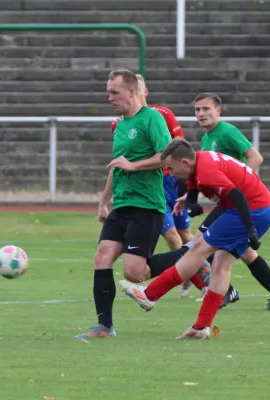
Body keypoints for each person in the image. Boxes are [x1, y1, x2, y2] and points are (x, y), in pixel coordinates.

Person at [119, 138, 270, 339]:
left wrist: (250, 230)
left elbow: (238, 197)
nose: (170, 173)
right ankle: (201, 327)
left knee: (198, 248)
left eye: (171, 168)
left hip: (250, 210)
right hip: (262, 208)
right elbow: (193, 185)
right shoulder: (198, 160)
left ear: (184, 162)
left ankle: (150, 295)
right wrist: (191, 202)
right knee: (220, 265)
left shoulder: (206, 172)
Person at [73, 69, 174, 339]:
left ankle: (192, 256)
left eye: (114, 92)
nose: (110, 97)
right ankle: (104, 327)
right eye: (108, 92)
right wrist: (103, 201)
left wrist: (134, 165)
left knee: (134, 273)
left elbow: (166, 157)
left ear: (132, 91)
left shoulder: (152, 118)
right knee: (102, 258)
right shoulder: (119, 125)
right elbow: (117, 167)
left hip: (147, 205)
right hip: (122, 204)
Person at [190, 93, 270, 311]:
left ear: (219, 111)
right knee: (244, 251)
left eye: (206, 109)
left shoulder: (227, 131)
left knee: (198, 243)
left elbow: (255, 157)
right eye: (197, 109)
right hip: (228, 203)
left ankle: (227, 291)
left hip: (236, 201)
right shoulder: (207, 138)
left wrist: (246, 185)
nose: (201, 114)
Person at [112, 75, 195, 298]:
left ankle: (193, 267)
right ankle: (187, 271)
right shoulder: (119, 123)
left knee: (184, 232)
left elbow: (177, 150)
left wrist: (185, 183)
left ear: (141, 91)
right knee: (170, 234)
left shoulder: (161, 115)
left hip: (170, 181)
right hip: (141, 192)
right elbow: (120, 162)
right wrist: (105, 199)